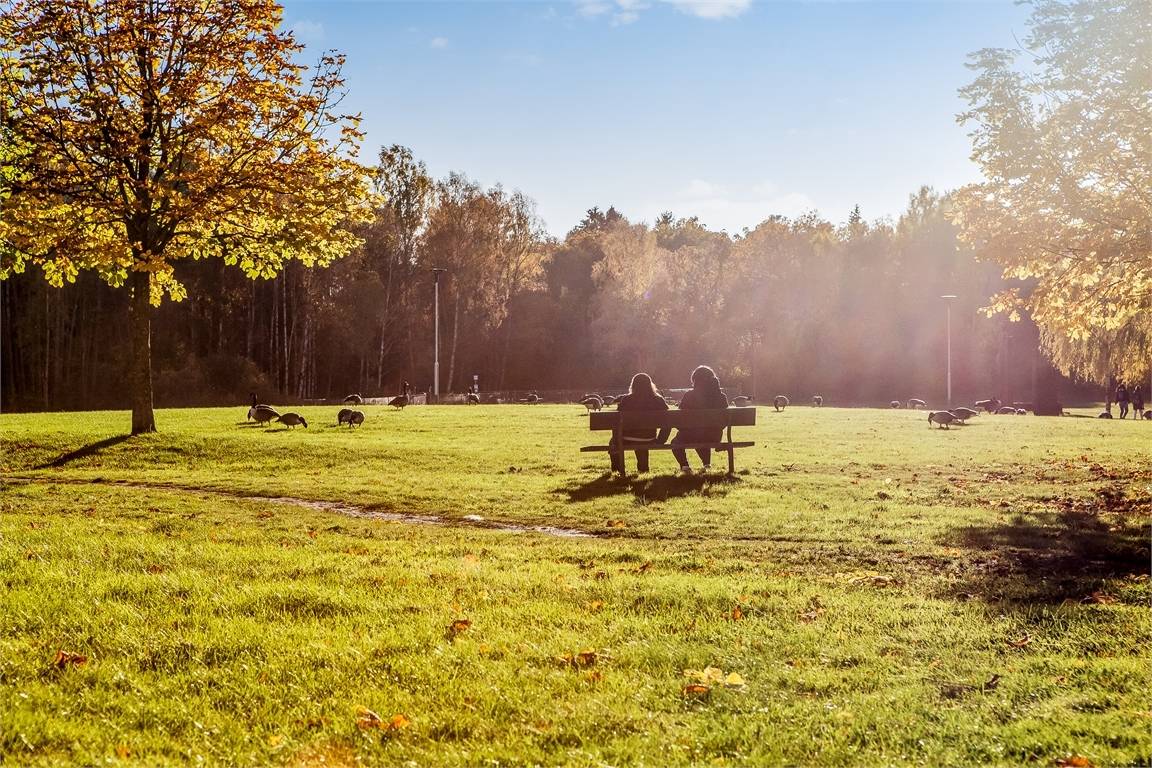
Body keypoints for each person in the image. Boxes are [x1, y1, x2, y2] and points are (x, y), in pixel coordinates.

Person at [671, 365, 730, 474]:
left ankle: (685, 466)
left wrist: (684, 429)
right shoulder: (721, 396)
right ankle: (706, 464)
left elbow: (679, 419)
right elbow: (725, 420)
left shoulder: (689, 395)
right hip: (714, 436)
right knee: (703, 434)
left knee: (676, 441)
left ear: (695, 380)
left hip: (691, 435)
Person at [610, 373, 670, 474]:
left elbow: (616, 421)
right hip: (648, 438)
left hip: (627, 438)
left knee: (612, 442)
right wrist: (661, 440)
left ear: (633, 385)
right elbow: (669, 420)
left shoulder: (627, 400)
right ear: (650, 385)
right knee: (642, 439)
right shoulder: (658, 400)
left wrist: (616, 440)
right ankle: (643, 470)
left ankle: (617, 470)